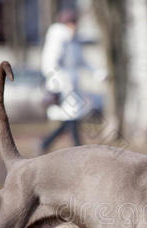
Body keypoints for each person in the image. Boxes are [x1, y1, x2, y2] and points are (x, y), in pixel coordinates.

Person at [39, 10, 103, 153]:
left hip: (72, 86)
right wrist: (61, 83)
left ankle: (46, 143)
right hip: (61, 86)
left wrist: (98, 73)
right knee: (73, 117)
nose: (75, 26)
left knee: (71, 119)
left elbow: (81, 61)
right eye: (72, 23)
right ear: (66, 24)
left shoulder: (74, 40)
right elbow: (49, 64)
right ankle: (78, 148)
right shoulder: (57, 38)